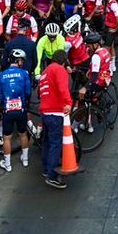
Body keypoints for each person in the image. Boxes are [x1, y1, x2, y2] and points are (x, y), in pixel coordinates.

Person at [38, 48, 72, 189]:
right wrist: (68, 103)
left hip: (45, 112)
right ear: (63, 62)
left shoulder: (45, 72)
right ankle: (52, 176)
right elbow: (63, 88)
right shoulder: (59, 70)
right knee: (55, 144)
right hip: (55, 112)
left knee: (46, 142)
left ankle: (46, 169)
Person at [0, 48, 32, 173]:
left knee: (7, 138)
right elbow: (28, 92)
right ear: (19, 61)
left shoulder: (1, 76)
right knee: (23, 134)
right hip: (21, 108)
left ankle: (8, 164)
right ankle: (25, 159)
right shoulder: (25, 74)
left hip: (7, 110)